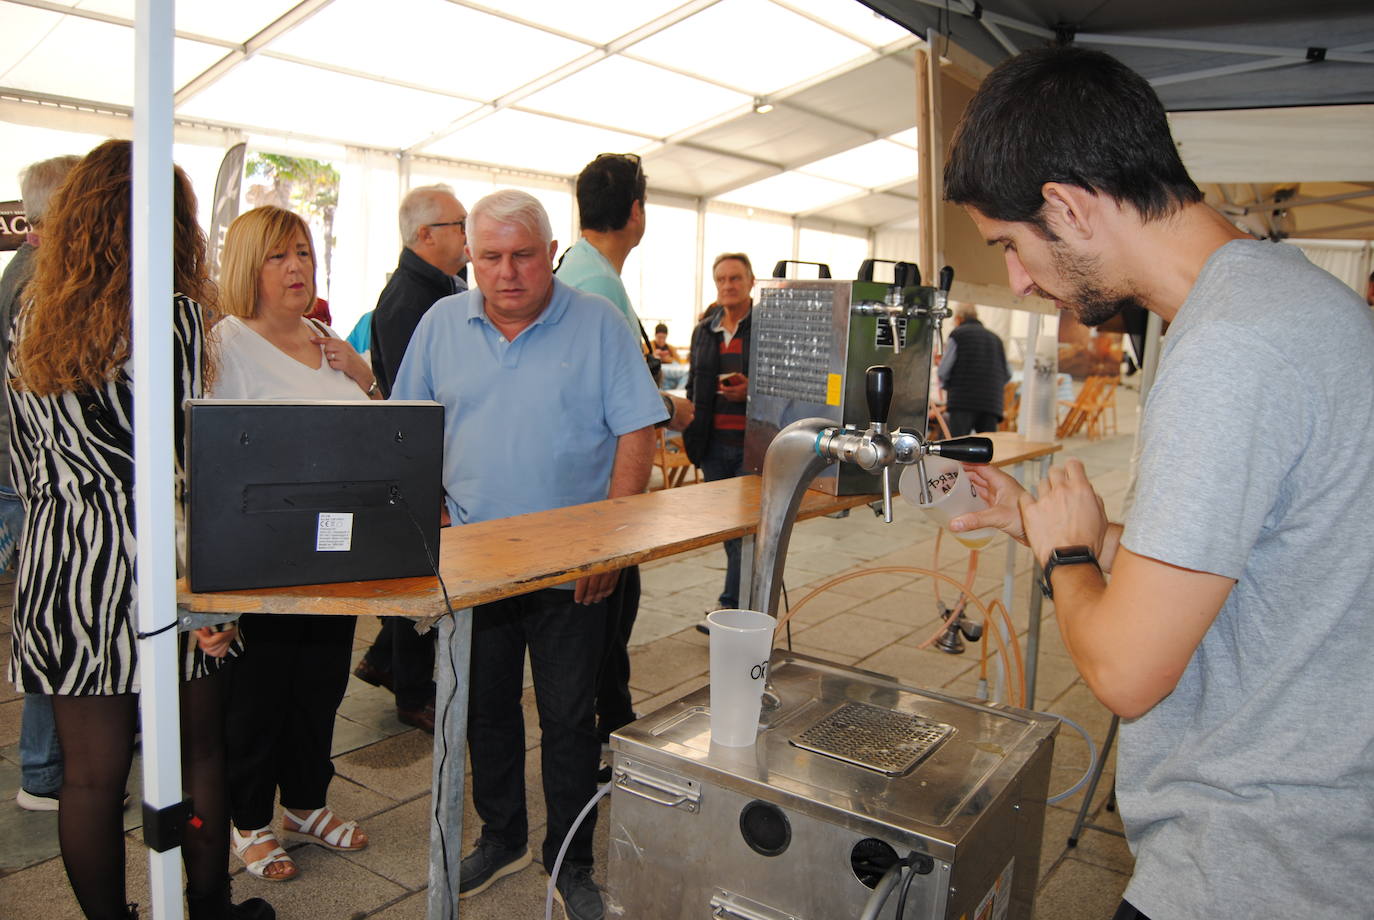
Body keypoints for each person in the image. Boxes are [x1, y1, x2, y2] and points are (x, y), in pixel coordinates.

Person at [943, 46, 1374, 919]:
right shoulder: (1285, 304)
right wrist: (1038, 521)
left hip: (1251, 866)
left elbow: (1127, 670)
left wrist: (1067, 555)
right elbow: (1253, 568)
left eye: (1012, 246)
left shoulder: (1230, 347)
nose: (1020, 279)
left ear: (1065, 205)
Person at [6, 139, 271, 920]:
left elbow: (26, 457)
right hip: (154, 560)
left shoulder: (32, 318)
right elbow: (183, 468)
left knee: (87, 779)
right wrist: (210, 597)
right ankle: (209, 907)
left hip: (60, 563)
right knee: (197, 755)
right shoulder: (176, 319)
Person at [392, 190, 666, 920]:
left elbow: (638, 433)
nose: (507, 273)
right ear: (471, 258)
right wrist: (438, 512)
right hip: (476, 566)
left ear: (550, 254)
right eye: (490, 257)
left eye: (522, 256)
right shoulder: (441, 324)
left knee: (571, 717)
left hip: (575, 567)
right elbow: (408, 430)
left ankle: (570, 857)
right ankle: (503, 834)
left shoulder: (598, 323)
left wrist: (611, 544)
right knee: (484, 708)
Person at [213, 206, 378, 883]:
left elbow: (374, 434)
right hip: (264, 558)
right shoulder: (227, 343)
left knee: (320, 687)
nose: (297, 268)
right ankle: (248, 819)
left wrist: (365, 377)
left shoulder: (326, 339)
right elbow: (216, 462)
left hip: (335, 558)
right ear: (249, 266)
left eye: (305, 254)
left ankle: (305, 804)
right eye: (280, 256)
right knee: (259, 698)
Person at [556, 152, 691, 755]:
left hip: (593, 488)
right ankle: (603, 746)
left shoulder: (583, 269)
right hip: (598, 493)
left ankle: (609, 733)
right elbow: (603, 396)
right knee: (602, 630)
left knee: (608, 632)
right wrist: (669, 405)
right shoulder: (596, 285)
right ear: (636, 212)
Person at [354, 184, 469, 733]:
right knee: (421, 573)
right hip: (422, 462)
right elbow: (415, 400)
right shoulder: (408, 300)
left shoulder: (437, 288)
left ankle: (382, 659)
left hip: (433, 459)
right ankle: (413, 690)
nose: (468, 236)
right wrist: (436, 483)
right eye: (459, 225)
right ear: (426, 235)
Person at [2, 154, 79, 813]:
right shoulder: (38, 285)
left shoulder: (30, 274)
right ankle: (44, 771)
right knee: (51, 619)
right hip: (28, 479)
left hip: (24, 473)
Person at [684, 253, 754, 611]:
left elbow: (785, 385)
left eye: (735, 278)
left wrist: (750, 392)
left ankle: (732, 606)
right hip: (712, 445)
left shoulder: (766, 328)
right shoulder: (703, 331)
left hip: (752, 446)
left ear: (751, 282)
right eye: (722, 280)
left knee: (744, 530)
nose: (728, 285)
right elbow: (694, 383)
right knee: (730, 530)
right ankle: (749, 599)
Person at [936, 303, 1010, 436]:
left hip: (962, 401)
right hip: (991, 403)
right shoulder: (996, 339)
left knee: (957, 445)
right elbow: (1008, 373)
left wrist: (947, 386)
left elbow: (943, 370)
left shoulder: (957, 335)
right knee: (986, 447)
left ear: (959, 318)